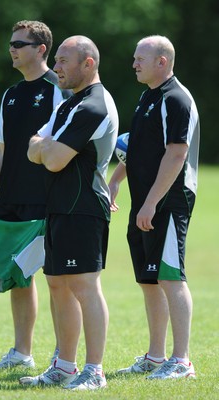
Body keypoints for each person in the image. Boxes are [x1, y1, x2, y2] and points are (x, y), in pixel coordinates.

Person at [0, 20, 70, 369]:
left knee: (57, 279)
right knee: (20, 276)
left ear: (41, 49)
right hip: (10, 196)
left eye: (19, 43)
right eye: (11, 43)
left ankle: (62, 355)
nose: (12, 48)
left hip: (47, 198)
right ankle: (22, 353)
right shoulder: (10, 94)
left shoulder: (58, 89)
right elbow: (2, 151)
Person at [19, 35, 119, 390]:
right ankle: (64, 365)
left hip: (84, 208)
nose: (56, 67)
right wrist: (44, 147)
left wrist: (44, 147)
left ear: (87, 64)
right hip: (60, 207)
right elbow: (33, 147)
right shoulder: (68, 104)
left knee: (84, 286)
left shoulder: (93, 106)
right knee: (58, 285)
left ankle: (95, 371)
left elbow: (54, 159)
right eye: (57, 60)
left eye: (63, 60)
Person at [109, 35, 199, 380]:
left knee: (170, 276)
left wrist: (150, 202)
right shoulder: (149, 96)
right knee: (150, 279)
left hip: (168, 200)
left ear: (162, 61)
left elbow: (176, 153)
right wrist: (117, 178)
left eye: (140, 59)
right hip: (145, 201)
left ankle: (182, 361)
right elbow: (138, 144)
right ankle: (156, 356)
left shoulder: (176, 99)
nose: (134, 63)